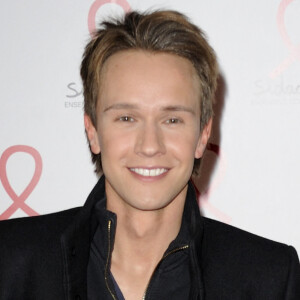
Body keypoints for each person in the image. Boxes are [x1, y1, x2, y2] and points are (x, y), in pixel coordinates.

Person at [0, 10, 299, 300]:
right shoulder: (11, 259)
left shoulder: (266, 276)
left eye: (172, 120)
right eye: (127, 118)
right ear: (92, 131)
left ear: (202, 135)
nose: (149, 145)